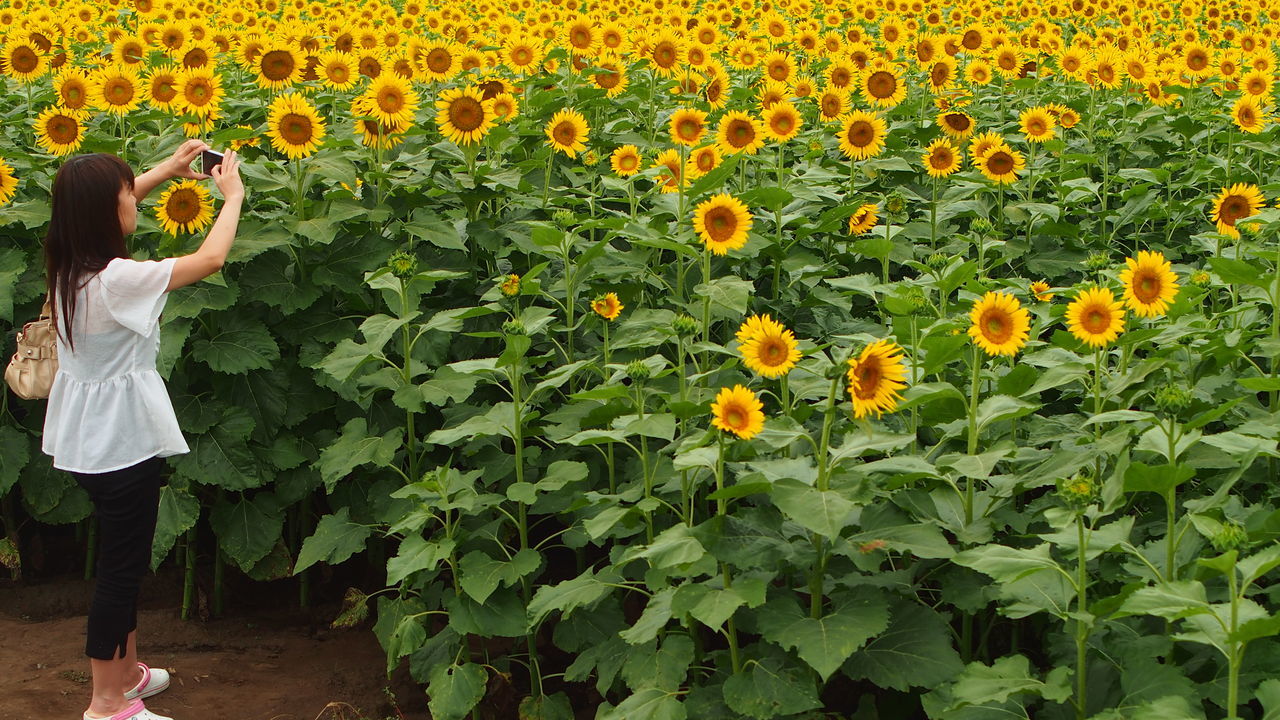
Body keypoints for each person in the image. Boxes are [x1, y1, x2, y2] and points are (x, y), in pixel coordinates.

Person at [40, 141, 244, 720]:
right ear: (110, 213)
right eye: (128, 194)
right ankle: (105, 701)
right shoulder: (116, 279)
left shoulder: (66, 263)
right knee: (121, 568)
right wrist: (231, 198)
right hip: (121, 441)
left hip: (88, 436)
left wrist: (169, 171)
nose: (137, 198)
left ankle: (126, 675)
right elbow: (209, 261)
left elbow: (106, 207)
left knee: (120, 554)